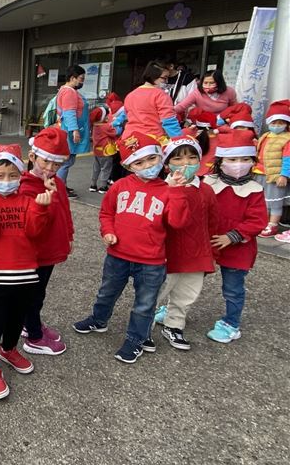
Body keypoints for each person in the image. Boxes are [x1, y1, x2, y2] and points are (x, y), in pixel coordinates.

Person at [73, 132, 190, 363]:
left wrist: (177, 192)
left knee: (145, 304)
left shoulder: (170, 189)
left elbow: (178, 223)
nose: (147, 166)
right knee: (107, 292)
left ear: (161, 157)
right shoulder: (119, 186)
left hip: (151, 260)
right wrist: (107, 231)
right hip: (117, 254)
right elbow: (107, 213)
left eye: (152, 159)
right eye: (139, 162)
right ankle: (99, 319)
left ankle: (136, 339)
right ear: (128, 165)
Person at [0, 144, 54, 399]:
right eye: (0, 175)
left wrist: (41, 208)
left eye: (12, 175)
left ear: (21, 175)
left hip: (26, 274)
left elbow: (35, 232)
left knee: (17, 320)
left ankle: (8, 349)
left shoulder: (28, 201)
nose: (6, 180)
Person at [152, 136, 218, 351]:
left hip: (196, 253)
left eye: (191, 158)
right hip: (166, 254)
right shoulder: (160, 188)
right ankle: (142, 328)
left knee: (186, 295)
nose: (185, 163)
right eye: (178, 159)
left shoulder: (206, 190)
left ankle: (174, 325)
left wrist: (211, 251)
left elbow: (212, 222)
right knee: (156, 293)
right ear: (167, 163)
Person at [204, 129, 268, 343]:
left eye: (245, 159)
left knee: (232, 289)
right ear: (220, 161)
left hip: (238, 248)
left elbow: (257, 221)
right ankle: (175, 310)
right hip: (206, 243)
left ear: (253, 161)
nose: (238, 164)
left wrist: (232, 236)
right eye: (232, 159)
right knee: (186, 279)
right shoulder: (209, 183)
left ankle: (231, 324)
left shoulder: (254, 190)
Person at [19, 128, 72, 356]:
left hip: (50, 248)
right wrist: (49, 200)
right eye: (46, 162)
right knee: (33, 295)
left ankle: (29, 323)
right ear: (32, 157)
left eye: (56, 164)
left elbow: (65, 212)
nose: (50, 168)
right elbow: (34, 225)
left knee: (38, 292)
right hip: (36, 252)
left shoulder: (56, 182)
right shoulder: (25, 186)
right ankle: (34, 337)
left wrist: (69, 235)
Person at [113, 61, 182, 144]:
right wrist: (180, 141)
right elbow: (169, 122)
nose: (166, 81)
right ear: (153, 76)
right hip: (151, 141)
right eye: (164, 78)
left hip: (129, 141)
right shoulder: (161, 95)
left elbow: (124, 116)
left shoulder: (130, 95)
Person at [254, 100, 290, 241]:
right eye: (274, 122)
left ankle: (273, 224)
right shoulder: (265, 136)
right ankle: (264, 222)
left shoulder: (287, 138)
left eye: (281, 123)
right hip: (260, 172)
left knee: (275, 202)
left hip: (275, 176)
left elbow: (288, 159)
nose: (276, 126)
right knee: (263, 200)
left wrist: (284, 174)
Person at [55, 65, 90, 197]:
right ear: (72, 78)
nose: (82, 81)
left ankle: (61, 185)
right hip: (70, 131)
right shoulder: (69, 92)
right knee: (66, 161)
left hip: (68, 129)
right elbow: (69, 113)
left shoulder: (65, 90)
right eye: (81, 78)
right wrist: (75, 130)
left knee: (66, 160)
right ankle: (59, 188)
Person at [89, 104, 117, 193]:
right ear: (102, 117)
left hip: (97, 151)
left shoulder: (94, 126)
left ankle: (93, 185)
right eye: (106, 116)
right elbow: (114, 133)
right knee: (106, 169)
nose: (107, 117)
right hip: (105, 151)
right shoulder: (106, 126)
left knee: (96, 168)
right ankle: (103, 186)